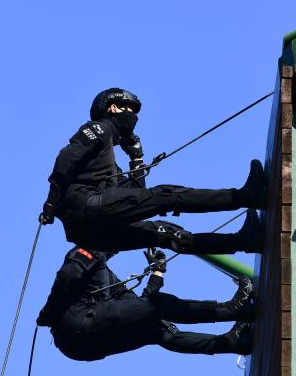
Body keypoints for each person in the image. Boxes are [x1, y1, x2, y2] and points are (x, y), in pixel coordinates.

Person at [39, 88, 266, 256]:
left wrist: (136, 159)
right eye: (128, 108)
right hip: (85, 206)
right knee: (166, 195)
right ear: (113, 108)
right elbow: (66, 159)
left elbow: (136, 197)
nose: (132, 115)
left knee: (165, 234)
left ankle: (244, 241)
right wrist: (51, 203)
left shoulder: (109, 165)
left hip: (93, 233)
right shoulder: (99, 129)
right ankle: (245, 197)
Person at [36, 246, 253, 361]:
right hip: (77, 325)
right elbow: (68, 275)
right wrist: (48, 311)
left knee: (156, 331)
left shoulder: (105, 276)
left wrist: (157, 272)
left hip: (80, 347)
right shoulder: (89, 248)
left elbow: (137, 305)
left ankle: (232, 343)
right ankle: (231, 309)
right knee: (157, 307)